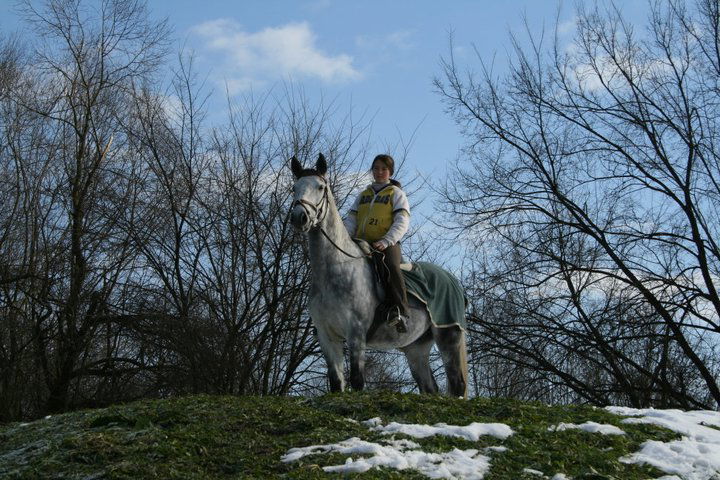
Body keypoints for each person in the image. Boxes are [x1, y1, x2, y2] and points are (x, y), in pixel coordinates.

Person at [344, 154, 410, 333]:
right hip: (360, 242)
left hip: (386, 243)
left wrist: (387, 241)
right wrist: (345, 238)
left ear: (390, 172)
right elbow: (351, 219)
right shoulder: (363, 195)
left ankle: (401, 312)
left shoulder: (396, 194)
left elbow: (402, 220)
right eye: (376, 168)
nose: (379, 172)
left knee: (391, 266)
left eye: (383, 169)